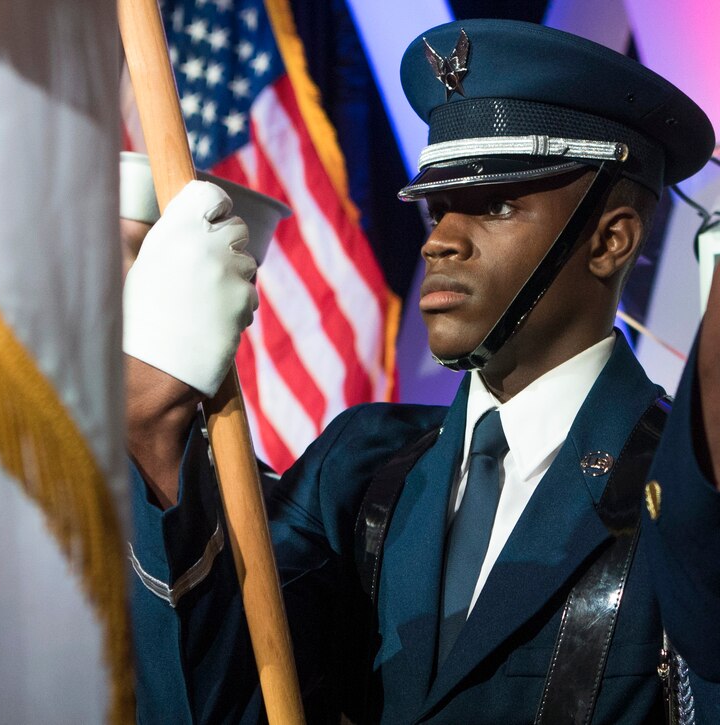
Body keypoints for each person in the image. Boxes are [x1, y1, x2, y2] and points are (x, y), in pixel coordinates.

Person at [124, 18, 720, 723]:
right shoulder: (359, 471)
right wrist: (156, 437)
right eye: (438, 208)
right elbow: (223, 701)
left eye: (495, 204)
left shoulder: (679, 488)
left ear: (610, 239)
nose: (440, 240)